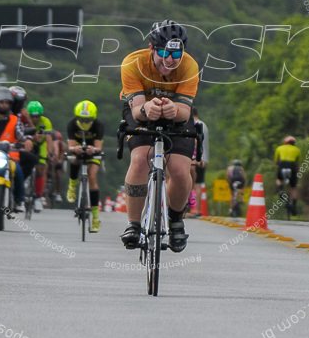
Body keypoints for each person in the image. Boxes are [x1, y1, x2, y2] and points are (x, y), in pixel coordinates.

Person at [119, 20, 199, 252]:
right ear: (152, 48)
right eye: (163, 52)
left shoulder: (189, 66)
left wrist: (174, 110)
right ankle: (133, 224)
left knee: (180, 169)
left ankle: (176, 220)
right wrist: (147, 110)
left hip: (176, 112)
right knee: (139, 159)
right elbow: (136, 109)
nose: (170, 60)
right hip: (142, 108)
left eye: (176, 53)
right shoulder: (133, 62)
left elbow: (185, 110)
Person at [66, 100, 104, 233]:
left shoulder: (98, 125)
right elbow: (70, 145)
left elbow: (99, 147)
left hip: (92, 152)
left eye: (87, 120)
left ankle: (95, 218)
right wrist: (74, 148)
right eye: (81, 119)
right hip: (78, 151)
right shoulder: (71, 124)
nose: (84, 123)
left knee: (92, 176)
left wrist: (93, 150)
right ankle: (72, 186)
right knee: (75, 159)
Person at [26, 100, 53, 203]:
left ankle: (38, 196)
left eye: (38, 117)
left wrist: (50, 153)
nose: (35, 119)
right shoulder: (24, 121)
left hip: (40, 144)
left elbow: (49, 138)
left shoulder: (45, 122)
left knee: (41, 168)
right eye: (32, 116)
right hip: (27, 143)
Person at [189, 108, 209, 217]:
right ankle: (195, 209)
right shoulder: (203, 124)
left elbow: (197, 142)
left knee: (195, 185)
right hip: (202, 158)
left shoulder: (195, 124)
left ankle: (195, 209)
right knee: (197, 185)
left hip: (197, 159)